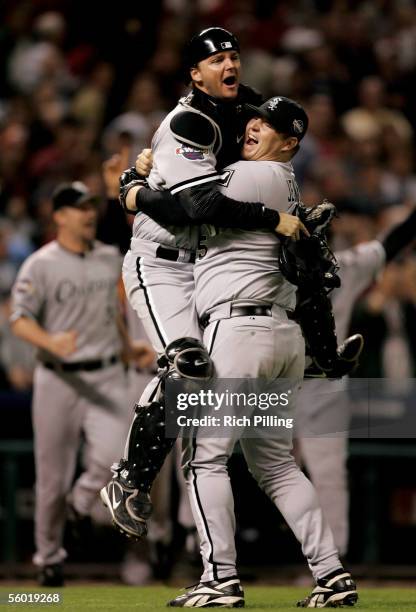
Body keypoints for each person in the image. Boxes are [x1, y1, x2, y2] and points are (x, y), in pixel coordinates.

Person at [100, 26, 309, 540]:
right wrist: (270, 216)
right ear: (196, 73)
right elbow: (194, 207)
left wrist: (133, 187)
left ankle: (321, 353)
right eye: (217, 61)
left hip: (205, 262)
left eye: (234, 56)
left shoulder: (240, 106)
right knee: (189, 364)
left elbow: (285, 124)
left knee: (214, 378)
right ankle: (128, 480)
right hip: (162, 263)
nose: (229, 65)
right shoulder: (190, 120)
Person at [152, 96, 356, 609]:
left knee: (204, 458)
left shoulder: (255, 176)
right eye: (256, 118)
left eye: (272, 125)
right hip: (280, 339)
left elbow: (189, 207)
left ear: (290, 143)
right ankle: (331, 575)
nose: (255, 125)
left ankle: (219, 578)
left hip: (238, 332)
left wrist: (135, 190)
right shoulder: (279, 182)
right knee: (277, 466)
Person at [10, 182, 148, 587]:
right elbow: (19, 318)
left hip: (106, 373)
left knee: (115, 457)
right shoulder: (40, 263)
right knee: (51, 477)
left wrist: (127, 349)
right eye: (76, 207)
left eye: (90, 206)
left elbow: (113, 315)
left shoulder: (109, 258)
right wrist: (49, 340)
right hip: (58, 378)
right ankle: (49, 559)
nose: (87, 213)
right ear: (59, 216)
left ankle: (82, 500)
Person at [295, 205, 416, 558]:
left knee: (325, 476)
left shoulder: (345, 266)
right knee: (277, 473)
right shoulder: (274, 264)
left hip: (320, 384)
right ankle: (289, 552)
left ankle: (332, 562)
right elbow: (392, 242)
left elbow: (393, 242)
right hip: (282, 382)